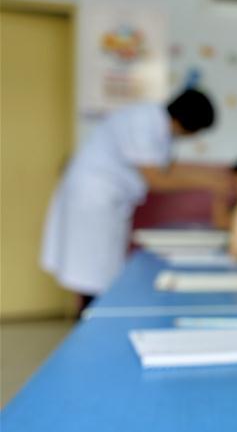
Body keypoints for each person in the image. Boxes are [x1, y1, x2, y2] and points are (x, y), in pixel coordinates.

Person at [41, 88, 225, 309]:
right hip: (94, 197)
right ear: (188, 123)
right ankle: (90, 322)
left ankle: (92, 317)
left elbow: (167, 168)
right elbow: (156, 179)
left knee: (99, 270)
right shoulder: (144, 121)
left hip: (108, 201)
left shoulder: (161, 128)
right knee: (92, 272)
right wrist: (209, 182)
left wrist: (211, 177)